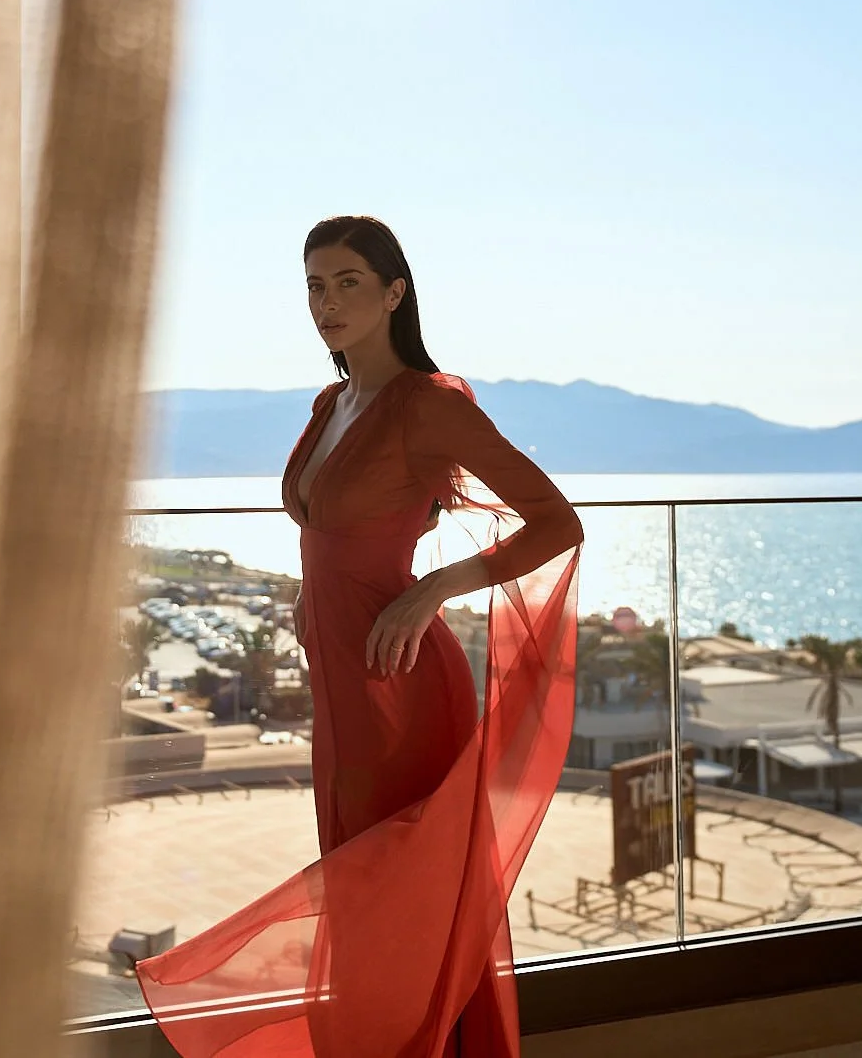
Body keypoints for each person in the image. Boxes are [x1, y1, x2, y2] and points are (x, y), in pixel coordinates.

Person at [138, 216, 583, 1057]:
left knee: (395, 901)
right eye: (315, 284)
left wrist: (433, 590)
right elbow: (333, 532)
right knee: (361, 892)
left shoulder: (429, 404)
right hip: (339, 679)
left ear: (393, 293)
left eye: (348, 282)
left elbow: (557, 522)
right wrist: (312, 596)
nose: (327, 302)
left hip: (398, 682)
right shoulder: (331, 403)